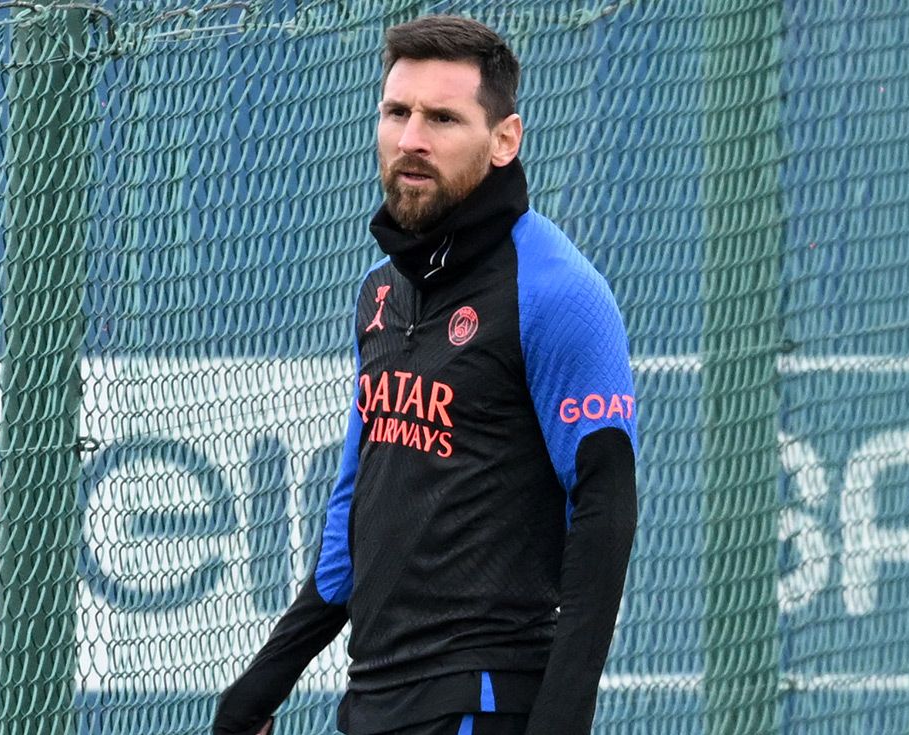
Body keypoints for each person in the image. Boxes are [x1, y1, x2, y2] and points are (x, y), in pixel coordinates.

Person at [213, 14, 639, 735]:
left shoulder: (556, 290)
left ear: (505, 139)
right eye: (397, 112)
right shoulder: (383, 291)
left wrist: (561, 720)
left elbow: (605, 514)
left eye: (443, 117)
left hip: (478, 699)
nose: (412, 138)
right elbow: (355, 504)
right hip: (372, 696)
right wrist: (264, 679)